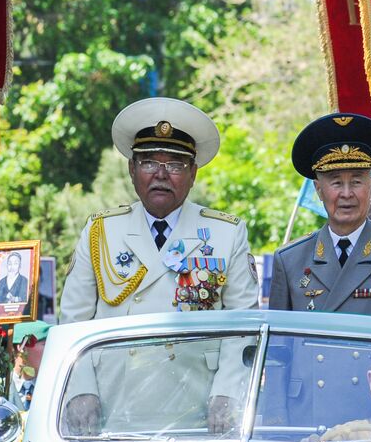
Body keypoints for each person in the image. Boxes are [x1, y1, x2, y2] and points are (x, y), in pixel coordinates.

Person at [61, 97, 258, 321]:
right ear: (132, 170)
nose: (161, 175)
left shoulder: (228, 235)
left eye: (175, 165)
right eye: (149, 163)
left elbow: (243, 328)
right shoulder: (100, 232)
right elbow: (73, 323)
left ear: (192, 174)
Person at [271, 113, 371, 316]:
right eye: (336, 182)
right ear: (318, 189)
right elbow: (280, 343)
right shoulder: (289, 260)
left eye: (356, 181)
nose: (347, 194)